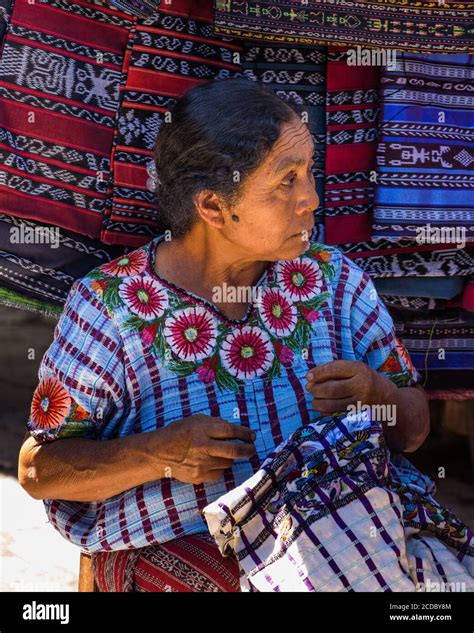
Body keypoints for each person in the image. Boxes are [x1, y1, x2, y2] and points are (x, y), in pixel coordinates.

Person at [18, 78, 432, 592]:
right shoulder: (111, 306)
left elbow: (412, 431)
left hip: (338, 543)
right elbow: (39, 471)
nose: (311, 199)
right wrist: (156, 453)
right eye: (286, 181)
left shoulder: (334, 282)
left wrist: (379, 394)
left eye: (308, 173)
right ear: (213, 207)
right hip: (184, 549)